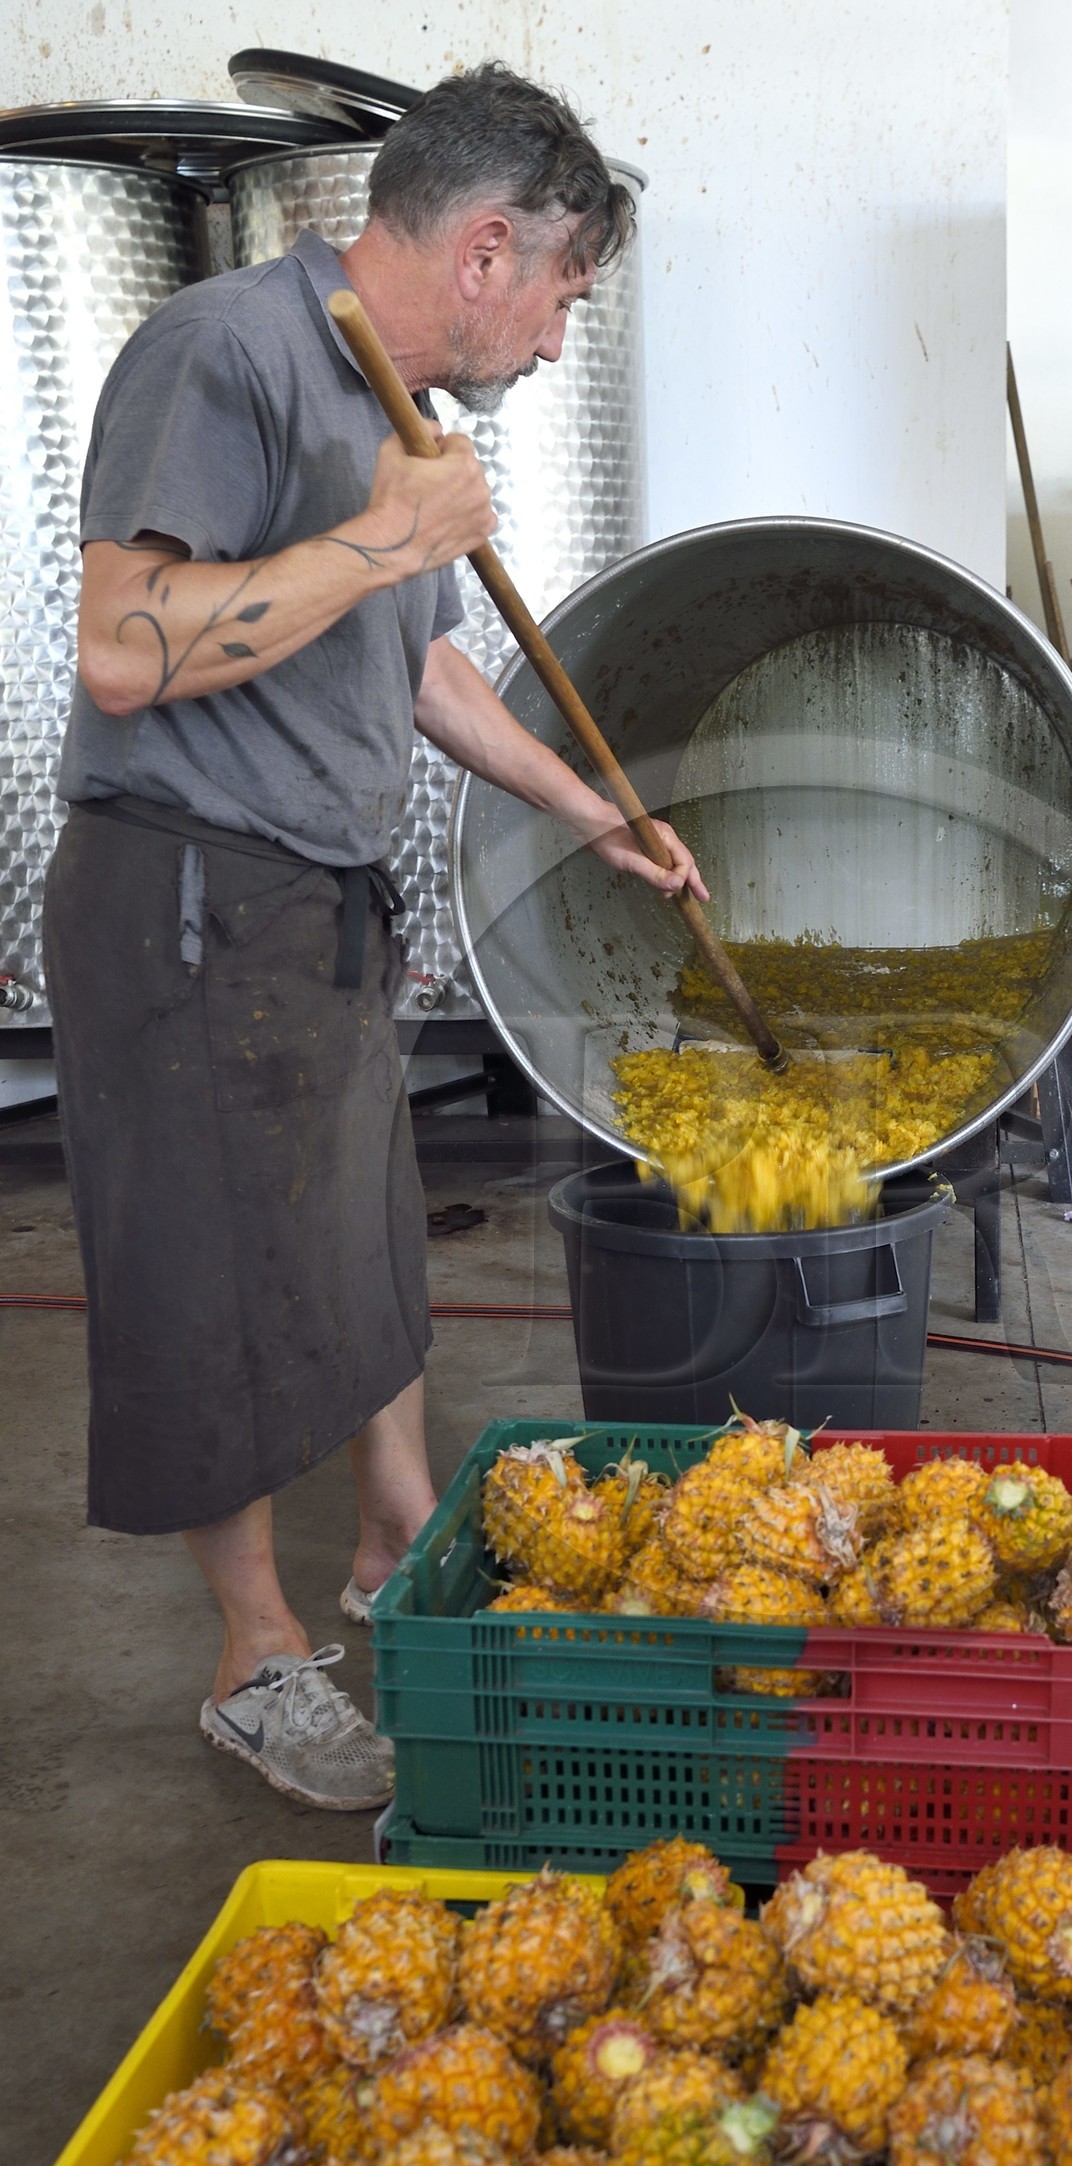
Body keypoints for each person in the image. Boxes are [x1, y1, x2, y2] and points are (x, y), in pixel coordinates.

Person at [43, 64, 704, 1811]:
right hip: (188, 895)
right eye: (562, 292)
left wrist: (587, 807)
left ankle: (393, 1541)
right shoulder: (225, 352)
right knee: (217, 1289)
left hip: (316, 901)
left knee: (360, 1252)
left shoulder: (393, 407)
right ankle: (256, 1661)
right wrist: (380, 535)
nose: (557, 337)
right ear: (486, 250)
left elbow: (415, 662)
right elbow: (121, 646)